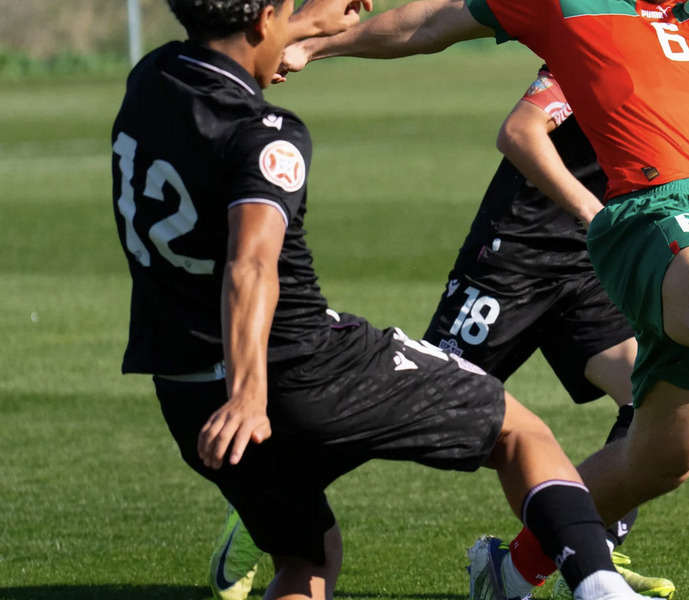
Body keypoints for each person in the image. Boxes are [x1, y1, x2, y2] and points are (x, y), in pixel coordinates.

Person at [111, 1, 650, 599]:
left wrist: (313, 25)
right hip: (295, 369)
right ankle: (594, 584)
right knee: (518, 432)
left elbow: (255, 35)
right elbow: (252, 265)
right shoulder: (269, 139)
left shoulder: (150, 78)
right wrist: (248, 392)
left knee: (309, 561)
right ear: (264, 19)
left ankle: (582, 551)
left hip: (185, 391)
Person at [278, 0, 689, 596]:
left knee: (661, 461)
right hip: (636, 217)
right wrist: (309, 45)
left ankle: (510, 571)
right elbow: (431, 24)